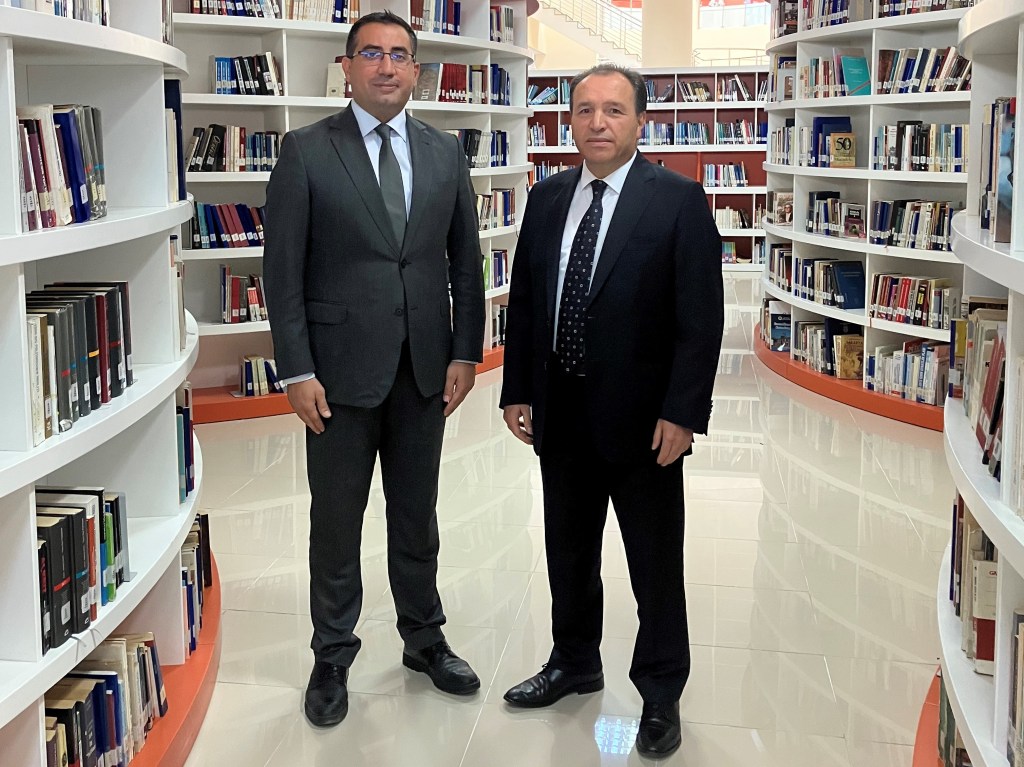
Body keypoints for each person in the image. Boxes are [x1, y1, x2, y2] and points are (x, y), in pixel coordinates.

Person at [263, 10, 485, 728]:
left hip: (424, 370)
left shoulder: (445, 153)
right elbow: (281, 272)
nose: (386, 66)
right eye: (371, 54)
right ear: (348, 68)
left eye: (399, 55)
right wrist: (295, 368)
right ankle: (332, 655)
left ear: (416, 70)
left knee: (417, 516)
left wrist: (466, 349)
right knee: (336, 524)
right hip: (335, 377)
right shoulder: (305, 151)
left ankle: (424, 639)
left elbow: (466, 261)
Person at [499, 63, 724, 758]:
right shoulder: (545, 198)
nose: (597, 122)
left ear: (640, 121)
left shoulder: (678, 201)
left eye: (614, 110)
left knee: (654, 564)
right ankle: (574, 660)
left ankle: (660, 690)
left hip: (645, 422)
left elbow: (700, 320)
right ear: (568, 119)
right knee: (567, 551)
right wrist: (516, 388)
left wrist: (682, 413)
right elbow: (527, 301)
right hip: (560, 412)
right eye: (585, 109)